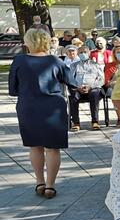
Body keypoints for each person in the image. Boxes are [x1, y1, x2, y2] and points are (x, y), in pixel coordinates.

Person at [9, 28, 76, 200]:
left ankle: (39, 182)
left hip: (28, 106)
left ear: (29, 42)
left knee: (35, 146)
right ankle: (51, 186)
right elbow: (71, 82)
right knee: (53, 148)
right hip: (53, 107)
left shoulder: (19, 60)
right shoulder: (56, 61)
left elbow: (13, 89)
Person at [68, 45, 105, 131]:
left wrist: (90, 87)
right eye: (80, 52)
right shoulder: (74, 66)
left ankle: (95, 121)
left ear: (89, 53)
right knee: (73, 95)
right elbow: (70, 79)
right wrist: (77, 87)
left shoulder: (96, 65)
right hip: (78, 89)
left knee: (95, 93)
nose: (82, 54)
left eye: (84, 52)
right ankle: (76, 123)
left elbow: (101, 80)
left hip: (92, 89)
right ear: (77, 54)